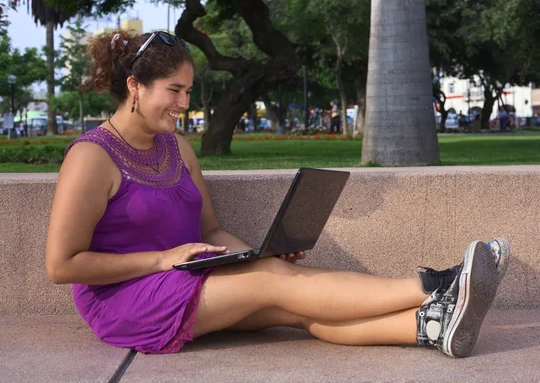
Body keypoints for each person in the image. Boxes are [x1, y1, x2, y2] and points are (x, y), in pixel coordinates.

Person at [45, 30, 511, 358]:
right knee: (273, 284)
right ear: (134, 87)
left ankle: (430, 328)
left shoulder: (177, 148)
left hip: (185, 277)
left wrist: (252, 254)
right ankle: (437, 286)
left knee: (288, 301)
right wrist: (160, 259)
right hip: (126, 299)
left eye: (188, 91)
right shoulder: (92, 157)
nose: (185, 104)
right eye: (174, 91)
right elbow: (61, 264)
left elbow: (209, 230)